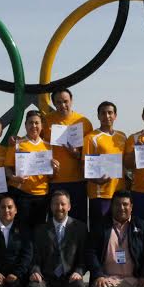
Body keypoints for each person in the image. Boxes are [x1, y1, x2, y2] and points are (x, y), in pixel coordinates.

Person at [25, 189, 87, 287]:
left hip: (69, 278)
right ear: (50, 207)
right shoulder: (40, 230)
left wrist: (79, 272)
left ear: (69, 206)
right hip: (47, 278)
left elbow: (83, 257)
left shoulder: (80, 228)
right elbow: (34, 257)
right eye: (55, 204)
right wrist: (35, 271)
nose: (59, 207)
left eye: (62, 204)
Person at [42, 88, 93, 223]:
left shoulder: (84, 122)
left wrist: (77, 153)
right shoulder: (45, 121)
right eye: (58, 102)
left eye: (65, 101)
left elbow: (91, 153)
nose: (63, 105)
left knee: (78, 222)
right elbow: (35, 144)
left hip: (78, 181)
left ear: (71, 101)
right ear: (53, 103)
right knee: (55, 222)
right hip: (53, 180)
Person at [5, 110, 59, 228]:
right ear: (25, 125)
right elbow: (7, 168)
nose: (34, 126)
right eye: (30, 123)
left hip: (42, 194)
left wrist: (55, 170)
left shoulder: (48, 146)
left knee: (39, 230)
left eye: (36, 123)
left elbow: (50, 176)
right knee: (22, 230)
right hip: (21, 193)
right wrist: (14, 177)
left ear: (41, 125)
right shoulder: (17, 144)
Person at [84, 101, 127, 228]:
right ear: (98, 116)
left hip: (119, 193)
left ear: (115, 116)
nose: (107, 116)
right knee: (99, 232)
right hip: (100, 194)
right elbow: (85, 166)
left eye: (110, 113)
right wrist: (96, 180)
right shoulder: (91, 137)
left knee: (119, 230)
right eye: (103, 113)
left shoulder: (122, 136)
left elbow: (126, 163)